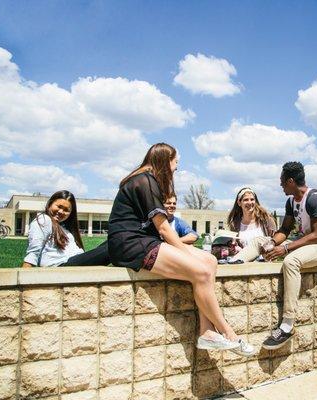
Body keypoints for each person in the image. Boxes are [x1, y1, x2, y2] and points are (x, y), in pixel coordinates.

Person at [107, 143, 254, 356]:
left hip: (146, 240)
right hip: (131, 244)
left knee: (210, 261)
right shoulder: (145, 181)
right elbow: (164, 229)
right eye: (176, 162)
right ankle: (228, 332)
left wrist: (191, 255)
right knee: (201, 271)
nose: (176, 168)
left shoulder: (148, 180)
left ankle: (207, 332)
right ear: (165, 161)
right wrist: (187, 255)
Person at [232, 161, 317, 349]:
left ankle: (287, 325)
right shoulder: (291, 201)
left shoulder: (314, 198)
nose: (280, 185)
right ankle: (233, 263)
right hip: (307, 243)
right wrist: (273, 243)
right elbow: (285, 229)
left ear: (290, 181)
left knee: (291, 262)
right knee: (260, 241)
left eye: (282, 181)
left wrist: (286, 249)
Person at [22, 190, 110, 268]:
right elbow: (34, 251)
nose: (61, 211)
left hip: (73, 262)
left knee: (113, 241)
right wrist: (24, 278)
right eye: (59, 206)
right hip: (62, 266)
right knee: (115, 245)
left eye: (66, 210)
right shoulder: (44, 219)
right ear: (50, 204)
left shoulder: (63, 227)